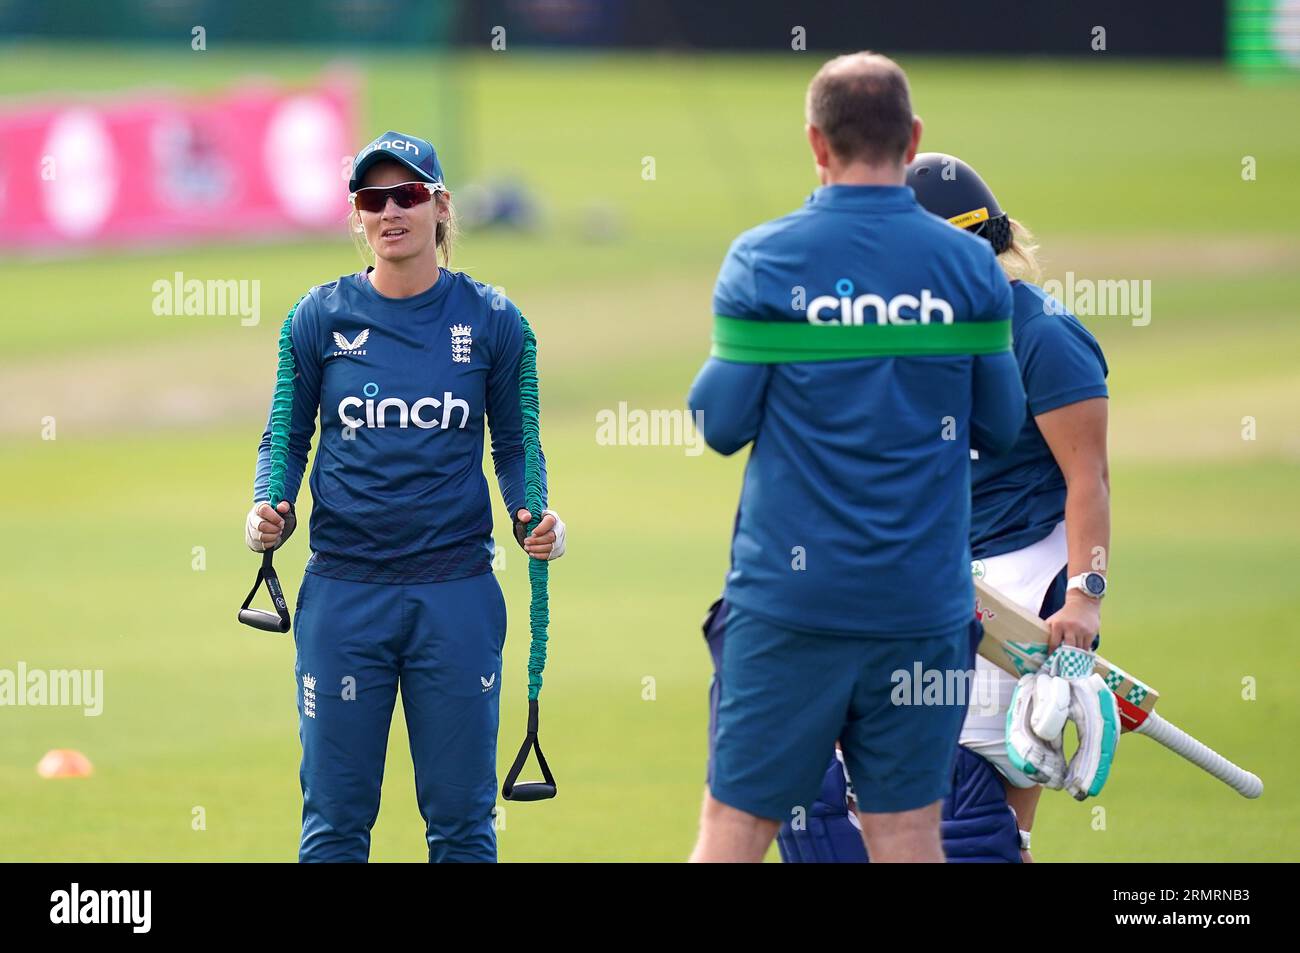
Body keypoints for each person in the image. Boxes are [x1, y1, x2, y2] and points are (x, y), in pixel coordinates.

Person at [687, 54, 1026, 863]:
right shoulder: (969, 266)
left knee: (734, 829)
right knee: (908, 834)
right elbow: (1004, 421)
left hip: (790, 605)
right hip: (921, 606)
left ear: (816, 141)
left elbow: (720, 422)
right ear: (912, 139)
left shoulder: (766, 260)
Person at [771, 152, 1112, 863]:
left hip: (1022, 576)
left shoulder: (1044, 338)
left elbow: (1089, 478)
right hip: (920, 573)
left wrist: (1084, 598)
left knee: (972, 818)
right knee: (831, 793)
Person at [244, 130, 567, 863]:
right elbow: (285, 438)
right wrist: (270, 505)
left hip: (454, 592)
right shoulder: (317, 318)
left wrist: (535, 518)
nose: (391, 211)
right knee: (334, 821)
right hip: (343, 592)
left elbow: (516, 447)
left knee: (461, 825)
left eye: (409, 194)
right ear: (357, 215)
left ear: (441, 206)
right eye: (373, 198)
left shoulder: (494, 320)